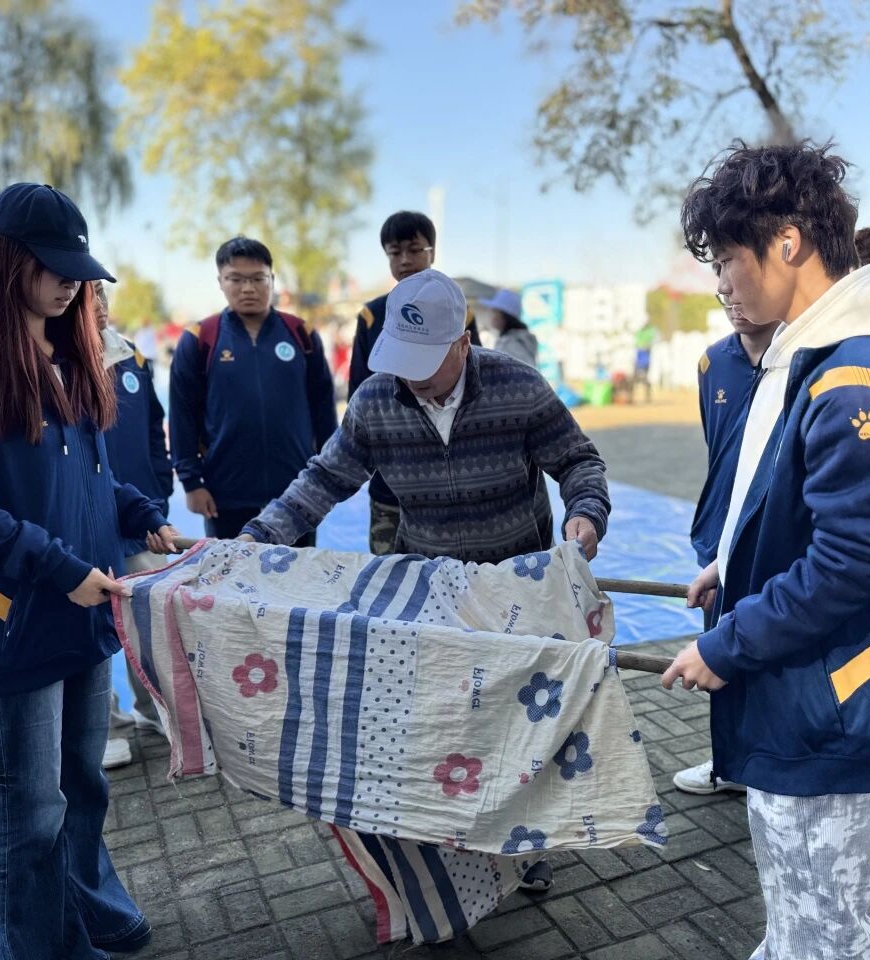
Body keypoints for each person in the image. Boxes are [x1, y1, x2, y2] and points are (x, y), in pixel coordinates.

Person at [241, 268, 609, 893]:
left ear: (463, 342)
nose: (412, 377)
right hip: (430, 582)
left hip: (515, 584)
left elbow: (578, 460)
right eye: (401, 358)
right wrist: (259, 536)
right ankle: (451, 830)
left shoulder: (518, 385)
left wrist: (586, 513)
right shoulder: (376, 401)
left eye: (427, 361)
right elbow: (324, 480)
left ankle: (527, 843)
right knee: (450, 716)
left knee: (519, 721)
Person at [663, 141, 870, 960]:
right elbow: (800, 507)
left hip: (829, 701)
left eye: (727, 259)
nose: (721, 282)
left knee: (823, 930)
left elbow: (859, 554)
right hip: (805, 692)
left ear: (787, 243)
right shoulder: (815, 352)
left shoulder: (855, 374)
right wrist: (732, 565)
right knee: (796, 915)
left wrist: (729, 643)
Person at [0, 183, 179, 959]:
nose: (71, 284)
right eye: (54, 267)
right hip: (16, 621)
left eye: (79, 270)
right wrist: (58, 567)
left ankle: (91, 909)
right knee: (25, 810)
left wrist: (141, 515)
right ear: (7, 261)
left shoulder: (69, 353)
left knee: (81, 785)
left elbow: (89, 477)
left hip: (84, 608)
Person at [671, 304, 779, 796]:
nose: (726, 289)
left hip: (770, 530)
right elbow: (717, 448)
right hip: (721, 530)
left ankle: (769, 760)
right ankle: (732, 763)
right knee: (721, 646)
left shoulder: (801, 355)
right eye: (718, 270)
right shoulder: (711, 362)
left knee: (768, 641)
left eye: (734, 268)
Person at [170, 236, 337, 542]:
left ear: (272, 279)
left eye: (258, 278)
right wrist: (191, 482)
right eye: (236, 279)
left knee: (299, 571)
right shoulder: (200, 338)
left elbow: (324, 407)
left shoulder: (301, 333)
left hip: (297, 491)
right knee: (230, 571)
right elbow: (182, 414)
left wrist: (327, 478)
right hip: (226, 492)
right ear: (220, 281)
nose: (248, 288)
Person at [349, 211, 481, 554]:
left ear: (432, 252)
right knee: (389, 574)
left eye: (414, 249)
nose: (405, 260)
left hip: (449, 482)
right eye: (395, 252)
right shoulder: (371, 316)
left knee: (450, 574)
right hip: (391, 476)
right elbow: (358, 397)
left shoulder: (459, 312)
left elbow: (475, 388)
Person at [92, 281, 172, 769]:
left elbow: (153, 432)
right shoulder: (52, 361)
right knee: (93, 623)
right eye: (84, 299)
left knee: (147, 619)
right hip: (86, 518)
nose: (96, 308)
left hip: (137, 516)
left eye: (100, 297)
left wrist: (158, 494)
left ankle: (152, 707)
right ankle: (102, 725)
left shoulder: (132, 357)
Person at [479, 288, 538, 367]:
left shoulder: (511, 344)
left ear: (505, 316)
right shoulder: (517, 340)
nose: (491, 315)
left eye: (495, 311)